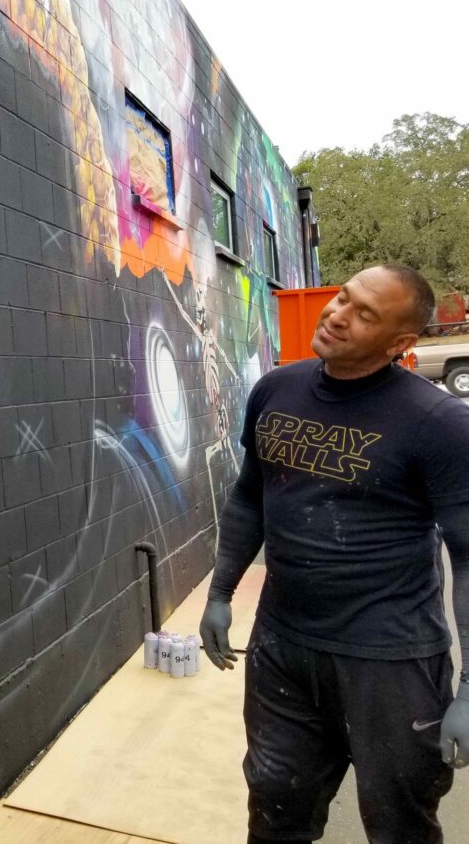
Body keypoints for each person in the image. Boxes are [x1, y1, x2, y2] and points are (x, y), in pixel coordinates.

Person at [199, 265, 469, 844]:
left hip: (390, 664)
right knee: (274, 810)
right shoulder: (277, 388)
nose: (338, 315)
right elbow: (251, 493)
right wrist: (221, 593)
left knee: (400, 824)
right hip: (282, 649)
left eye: (364, 313)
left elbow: (468, 557)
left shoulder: (439, 423)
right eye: (343, 298)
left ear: (401, 343)